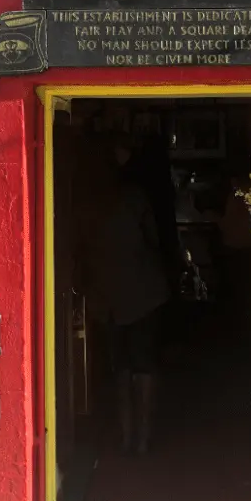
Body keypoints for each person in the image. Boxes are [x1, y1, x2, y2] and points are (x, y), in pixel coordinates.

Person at [75, 135, 171, 455]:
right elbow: (155, 241)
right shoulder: (137, 196)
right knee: (142, 366)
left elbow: (81, 251)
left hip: (112, 298)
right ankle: (140, 438)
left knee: (123, 368)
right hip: (140, 294)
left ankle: (127, 436)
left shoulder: (89, 202)